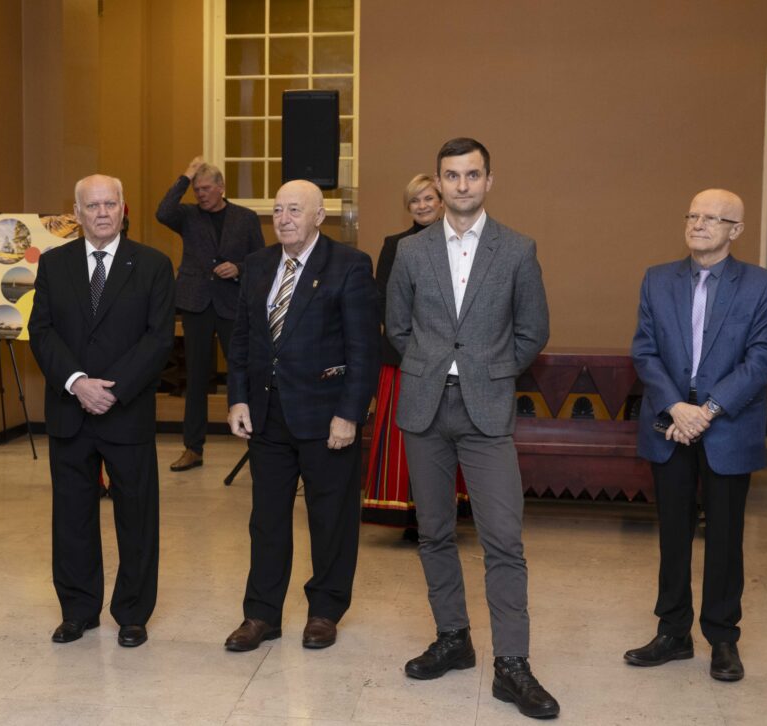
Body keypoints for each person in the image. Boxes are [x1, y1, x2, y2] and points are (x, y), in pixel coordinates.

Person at [386, 138, 558, 719]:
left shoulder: (517, 249)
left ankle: (512, 664)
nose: (462, 185)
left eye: (472, 174)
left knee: (503, 540)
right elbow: (397, 327)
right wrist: (431, 366)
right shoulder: (411, 252)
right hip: (425, 408)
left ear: (489, 181)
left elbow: (533, 330)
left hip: (487, 410)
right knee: (434, 532)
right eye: (452, 176)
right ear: (438, 183)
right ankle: (453, 638)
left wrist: (489, 370)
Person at [626, 189, 767, 682]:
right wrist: (676, 406)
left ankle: (723, 638)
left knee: (726, 537)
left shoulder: (762, 285)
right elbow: (645, 351)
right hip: (669, 421)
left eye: (712, 218)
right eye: (692, 214)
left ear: (736, 230)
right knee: (673, 532)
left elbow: (763, 358)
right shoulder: (657, 279)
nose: (698, 223)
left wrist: (706, 411)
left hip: (728, 422)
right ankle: (673, 632)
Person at [223, 179, 378, 652]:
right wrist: (238, 398)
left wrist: (349, 413)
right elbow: (242, 338)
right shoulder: (257, 264)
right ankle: (261, 614)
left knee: (330, 519)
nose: (284, 219)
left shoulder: (349, 265)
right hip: (267, 415)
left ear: (318, 216)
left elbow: (363, 347)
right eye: (277, 210)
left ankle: (325, 611)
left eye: (294, 210)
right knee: (266, 520)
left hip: (326, 416)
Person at [28, 174, 175, 649]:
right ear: (77, 213)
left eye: (111, 203)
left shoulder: (153, 264)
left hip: (125, 410)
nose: (103, 212)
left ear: (123, 207)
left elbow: (158, 338)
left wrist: (113, 389)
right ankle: (77, 611)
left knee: (136, 518)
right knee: (72, 517)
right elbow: (42, 331)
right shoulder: (54, 264)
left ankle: (132, 613)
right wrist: (77, 382)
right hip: (70, 411)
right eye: (92, 206)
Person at [363, 174, 468, 536]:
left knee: (447, 435)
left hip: (449, 360)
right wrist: (415, 345)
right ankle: (409, 516)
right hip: (403, 357)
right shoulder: (395, 245)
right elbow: (382, 300)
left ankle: (443, 514)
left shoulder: (459, 242)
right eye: (414, 201)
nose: (422, 206)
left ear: (442, 201)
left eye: (428, 198)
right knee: (404, 440)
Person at [156, 156, 265, 472]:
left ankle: (259, 444)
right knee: (195, 378)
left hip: (233, 304)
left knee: (242, 372)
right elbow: (163, 211)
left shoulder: (245, 218)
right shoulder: (187, 215)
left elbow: (260, 261)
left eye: (205, 188)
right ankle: (193, 448)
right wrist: (186, 175)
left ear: (221, 188)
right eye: (197, 189)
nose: (200, 194)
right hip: (196, 303)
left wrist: (239, 268)